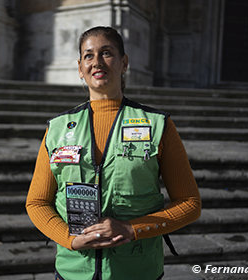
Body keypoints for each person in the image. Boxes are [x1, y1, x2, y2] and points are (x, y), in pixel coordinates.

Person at [26, 26, 201, 280]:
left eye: (106, 53)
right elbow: (37, 202)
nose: (97, 62)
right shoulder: (58, 128)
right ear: (79, 68)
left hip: (137, 271)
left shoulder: (157, 125)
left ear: (124, 62)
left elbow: (190, 204)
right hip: (73, 272)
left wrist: (132, 229)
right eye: (88, 55)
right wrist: (69, 239)